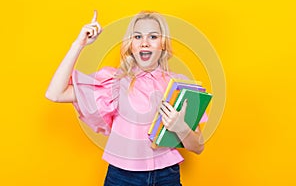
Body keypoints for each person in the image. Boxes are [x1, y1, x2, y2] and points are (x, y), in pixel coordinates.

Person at [46, 10, 207, 186]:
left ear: (163, 43)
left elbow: (198, 147)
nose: (144, 43)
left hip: (167, 177)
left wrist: (180, 127)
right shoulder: (113, 82)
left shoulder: (180, 86)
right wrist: (79, 44)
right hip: (122, 178)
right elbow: (55, 93)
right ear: (131, 45)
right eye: (137, 37)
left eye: (153, 37)